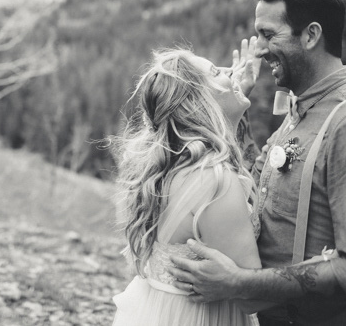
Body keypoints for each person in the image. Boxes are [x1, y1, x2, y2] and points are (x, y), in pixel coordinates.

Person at [169, 0, 346, 325]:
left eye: (268, 34)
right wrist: (236, 110)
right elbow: (251, 185)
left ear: (311, 35)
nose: (260, 49)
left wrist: (240, 282)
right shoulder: (300, 111)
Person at [111, 47, 263, 325]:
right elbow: (253, 294)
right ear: (200, 103)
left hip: (158, 310)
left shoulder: (170, 165)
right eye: (217, 72)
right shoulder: (215, 180)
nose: (232, 72)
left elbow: (222, 143)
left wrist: (230, 106)